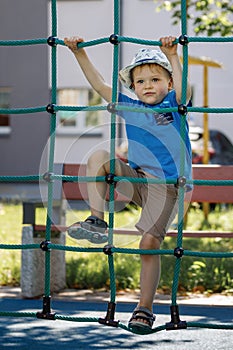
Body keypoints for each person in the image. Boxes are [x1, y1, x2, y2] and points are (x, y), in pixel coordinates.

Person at [64, 35, 192, 332]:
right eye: (141, 81)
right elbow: (99, 86)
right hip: (137, 180)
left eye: (156, 79)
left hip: (168, 186)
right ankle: (96, 221)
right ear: (132, 87)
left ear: (169, 84)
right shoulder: (130, 108)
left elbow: (184, 92)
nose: (148, 85)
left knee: (148, 244)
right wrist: (78, 53)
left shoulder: (174, 105)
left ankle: (144, 308)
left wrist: (173, 56)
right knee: (99, 157)